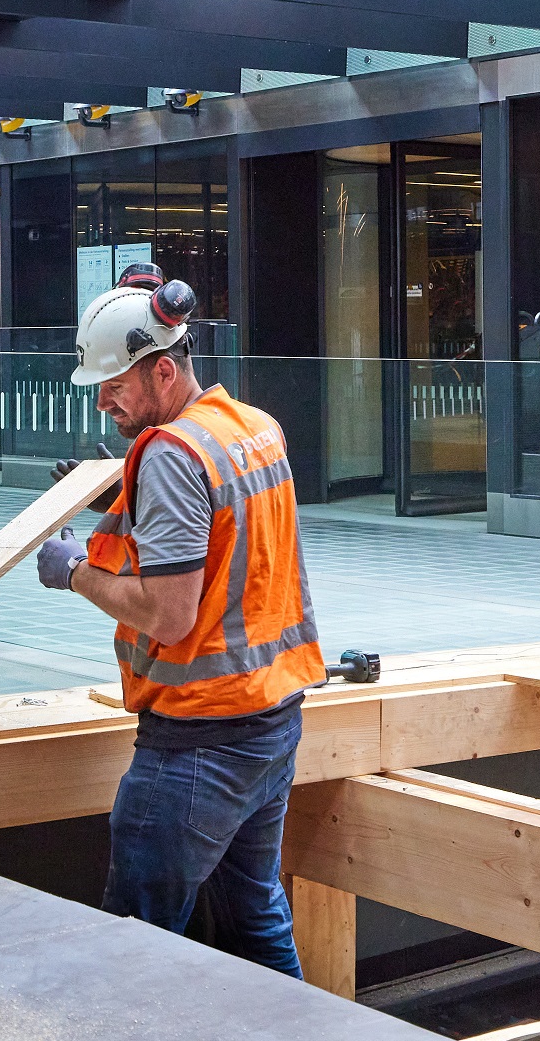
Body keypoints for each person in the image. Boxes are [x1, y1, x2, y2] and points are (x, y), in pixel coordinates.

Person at [37, 268, 324, 977]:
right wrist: (124, 487)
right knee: (253, 914)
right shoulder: (253, 427)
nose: (102, 400)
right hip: (271, 719)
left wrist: (74, 570)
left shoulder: (171, 455)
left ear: (163, 370)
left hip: (197, 742)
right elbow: (229, 542)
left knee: (136, 943)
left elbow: (169, 615)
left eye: (115, 385)